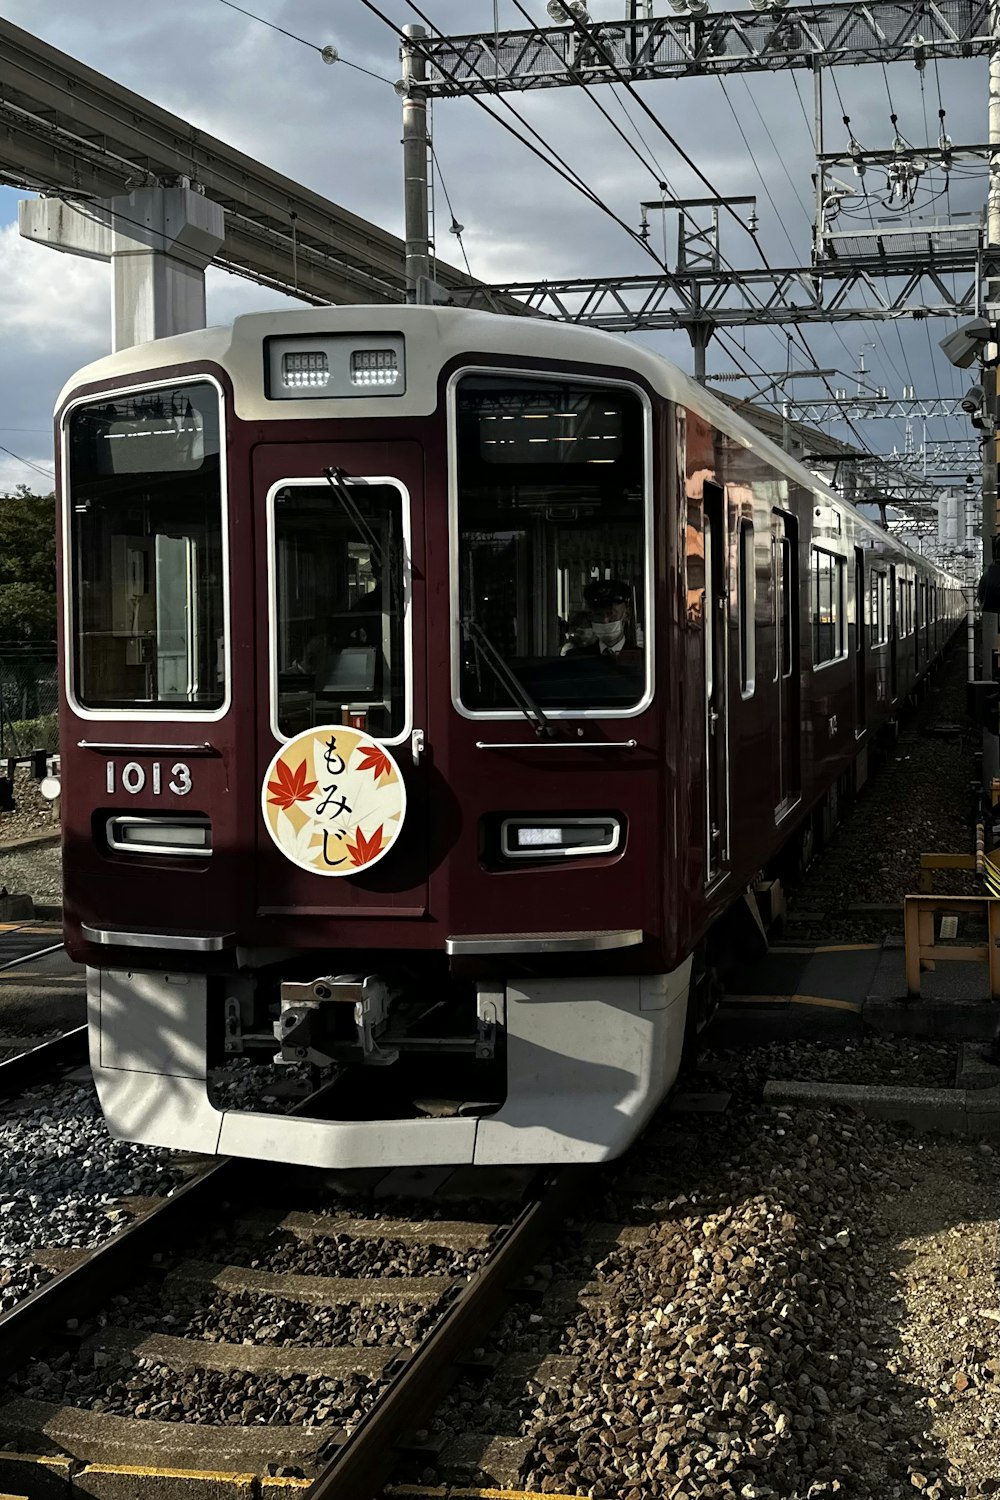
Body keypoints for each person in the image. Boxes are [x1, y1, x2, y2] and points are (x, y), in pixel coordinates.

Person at [582, 578, 638, 656]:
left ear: (627, 614)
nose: (605, 620)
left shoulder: (645, 659)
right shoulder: (577, 659)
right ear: (590, 616)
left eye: (611, 614)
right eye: (599, 614)